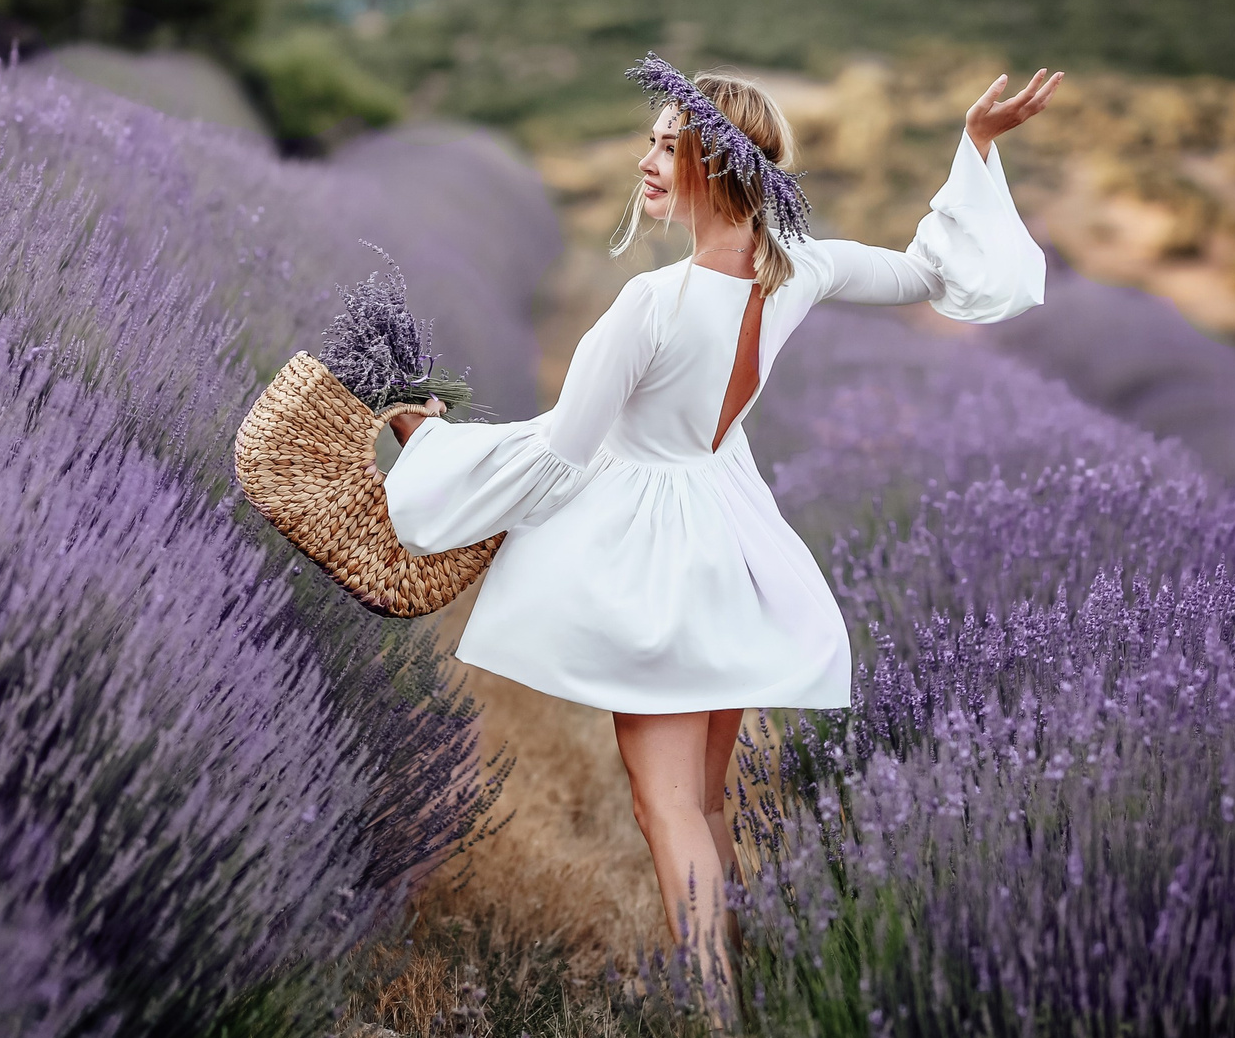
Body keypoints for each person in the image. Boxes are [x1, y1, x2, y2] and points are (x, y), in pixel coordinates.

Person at [381, 55, 1061, 960]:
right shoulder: (800, 272)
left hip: (660, 568)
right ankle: (736, 978)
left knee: (664, 806)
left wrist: (426, 445)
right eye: (650, 144)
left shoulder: (650, 303)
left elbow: (557, 454)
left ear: (717, 163)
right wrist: (972, 146)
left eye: (670, 146)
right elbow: (928, 272)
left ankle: (713, 1013)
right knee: (702, 800)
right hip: (731, 547)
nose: (647, 162)